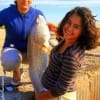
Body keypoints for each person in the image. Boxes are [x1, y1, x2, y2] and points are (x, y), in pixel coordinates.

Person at [35, 6, 99, 100]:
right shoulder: (66, 40)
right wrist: (51, 27)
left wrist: (41, 97)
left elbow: (60, 88)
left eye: (76, 26)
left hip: (58, 96)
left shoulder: (72, 56)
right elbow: (64, 33)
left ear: (83, 31)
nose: (69, 28)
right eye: (68, 22)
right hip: (49, 91)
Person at [0, 0, 55, 87]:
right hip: (13, 51)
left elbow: (44, 36)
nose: (25, 0)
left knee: (51, 59)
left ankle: (40, 79)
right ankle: (17, 73)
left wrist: (49, 53)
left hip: (33, 53)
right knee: (10, 60)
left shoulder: (38, 14)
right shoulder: (6, 13)